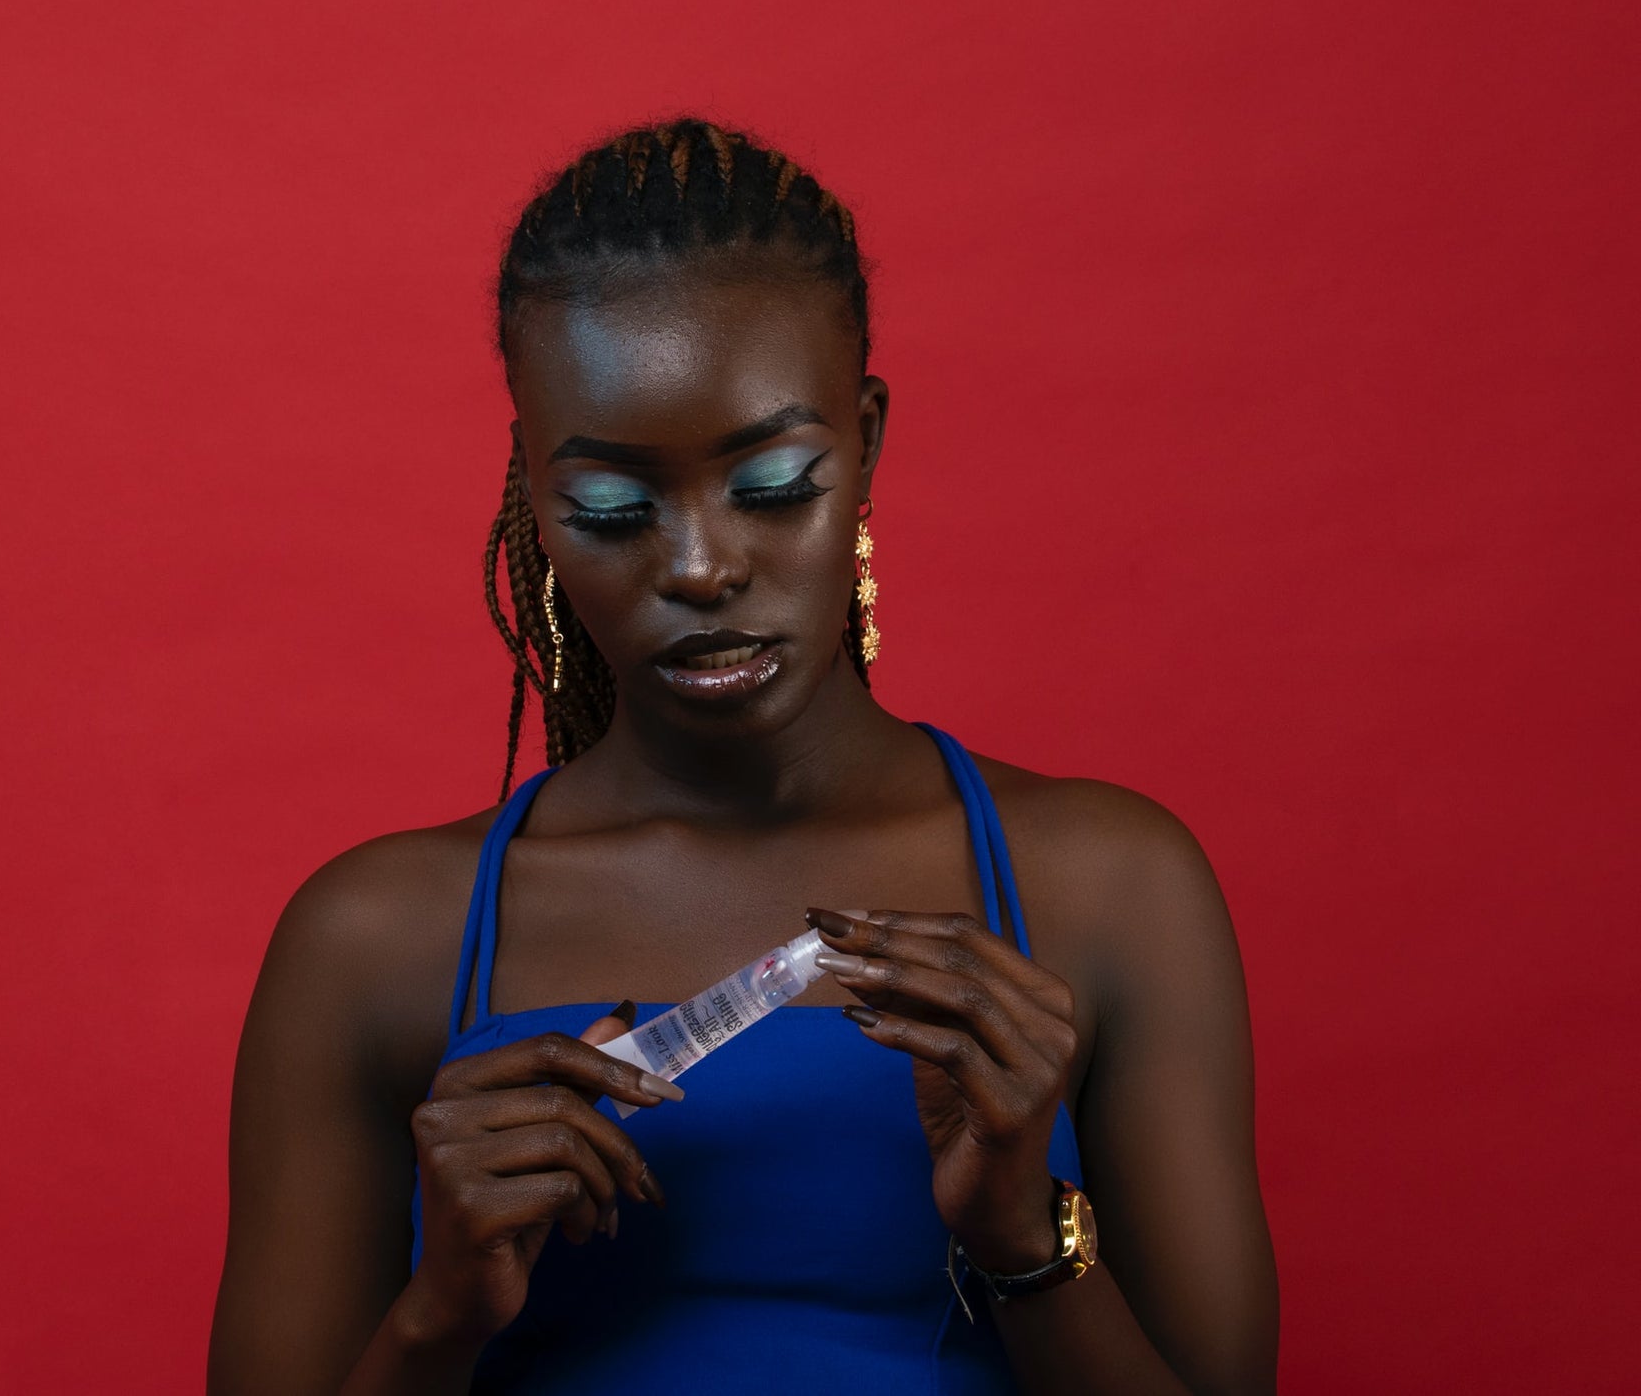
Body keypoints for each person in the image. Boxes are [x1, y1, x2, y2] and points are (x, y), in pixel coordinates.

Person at [208, 118, 1278, 1395]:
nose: (700, 565)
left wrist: (1017, 1234)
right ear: (533, 497)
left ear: (866, 443)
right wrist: (440, 1315)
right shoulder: (373, 938)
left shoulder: (1111, 884)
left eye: (774, 483)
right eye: (610, 509)